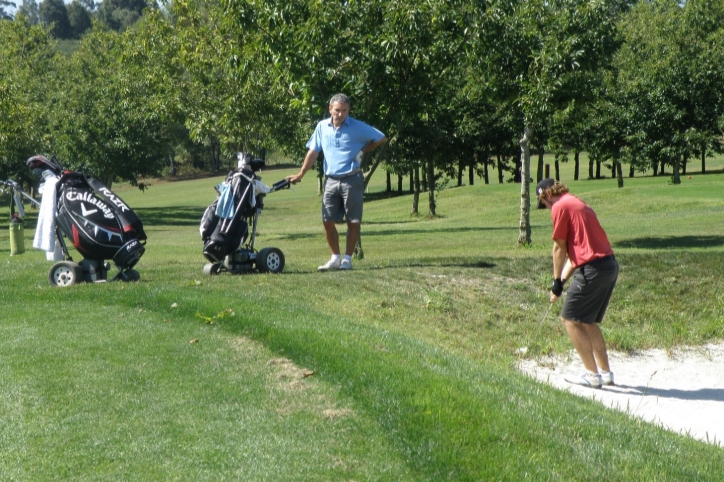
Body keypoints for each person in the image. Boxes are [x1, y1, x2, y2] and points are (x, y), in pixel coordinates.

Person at [286, 94, 387, 271]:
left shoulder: (357, 127)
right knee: (327, 219)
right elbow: (313, 152)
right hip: (331, 180)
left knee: (353, 220)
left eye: (344, 111)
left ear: (349, 110)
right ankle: (335, 257)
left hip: (352, 179)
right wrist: (301, 174)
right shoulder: (322, 127)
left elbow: (381, 137)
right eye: (337, 110)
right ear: (330, 109)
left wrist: (363, 151)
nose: (340, 114)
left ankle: (347, 259)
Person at [537, 178, 619, 388]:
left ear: (546, 195)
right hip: (608, 265)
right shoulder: (577, 203)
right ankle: (605, 373)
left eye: (544, 204)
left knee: (570, 319)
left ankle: (591, 375)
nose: (547, 209)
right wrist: (560, 283)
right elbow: (577, 255)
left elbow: (559, 249)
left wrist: (555, 279)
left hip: (593, 269)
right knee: (587, 320)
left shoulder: (560, 207)